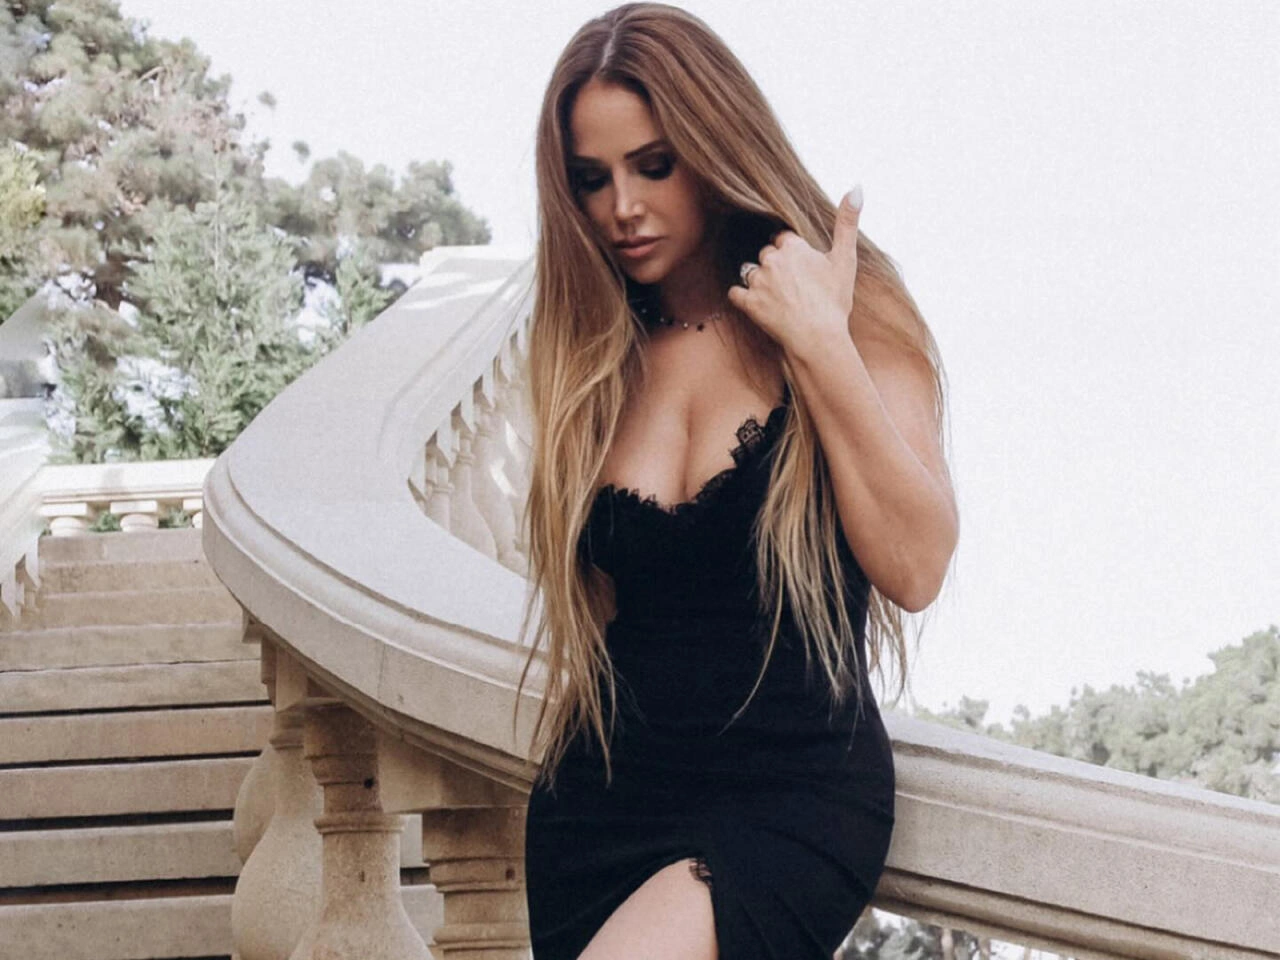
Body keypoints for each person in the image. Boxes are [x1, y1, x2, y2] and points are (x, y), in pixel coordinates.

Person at [512, 4, 959, 958]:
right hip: (600, 808)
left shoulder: (852, 311)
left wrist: (819, 344)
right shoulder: (594, 361)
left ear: (714, 146)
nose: (622, 206)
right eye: (592, 178)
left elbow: (917, 565)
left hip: (785, 799)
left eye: (654, 165)